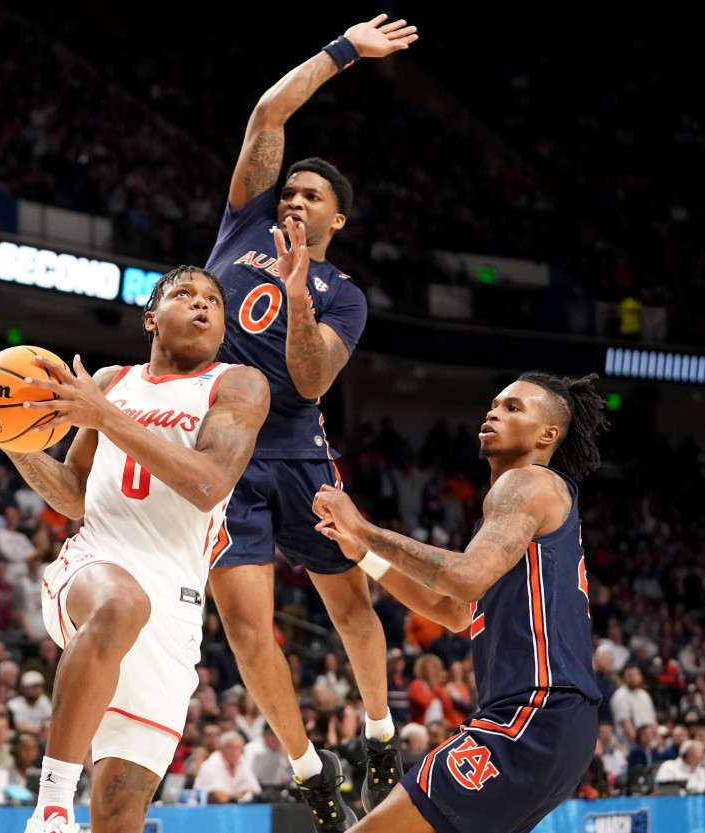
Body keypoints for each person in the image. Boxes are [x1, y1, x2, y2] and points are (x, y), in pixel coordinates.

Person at [202, 14, 417, 827]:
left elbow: (309, 375)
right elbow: (268, 116)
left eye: (311, 196)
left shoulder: (345, 295)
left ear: (336, 222)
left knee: (352, 610)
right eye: (289, 189)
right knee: (249, 633)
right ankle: (307, 769)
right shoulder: (243, 224)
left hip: (297, 456)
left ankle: (379, 732)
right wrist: (343, 53)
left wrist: (297, 287)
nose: (294, 198)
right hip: (223, 455)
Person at [0, 265, 269, 833]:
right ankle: (51, 808)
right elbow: (74, 496)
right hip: (96, 565)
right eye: (185, 295)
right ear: (151, 317)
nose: (202, 306)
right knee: (121, 604)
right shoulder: (109, 381)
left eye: (213, 301)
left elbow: (210, 483)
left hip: (175, 608)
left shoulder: (238, 384)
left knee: (120, 816)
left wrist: (107, 417)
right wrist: (11, 440)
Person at [312, 372, 609, 833]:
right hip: (559, 727)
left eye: (514, 408)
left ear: (548, 434)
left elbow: (464, 579)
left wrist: (364, 527)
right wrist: (364, 554)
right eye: (494, 404)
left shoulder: (526, 484)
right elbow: (453, 611)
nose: (493, 412)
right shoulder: (513, 512)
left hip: (534, 711)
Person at [193, 730, 263, 804]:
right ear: (221, 748)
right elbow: (221, 797)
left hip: (233, 809)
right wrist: (243, 794)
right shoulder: (212, 764)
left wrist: (233, 795)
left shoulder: (243, 763)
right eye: (230, 748)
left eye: (238, 748)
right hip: (207, 810)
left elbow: (256, 792)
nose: (234, 752)